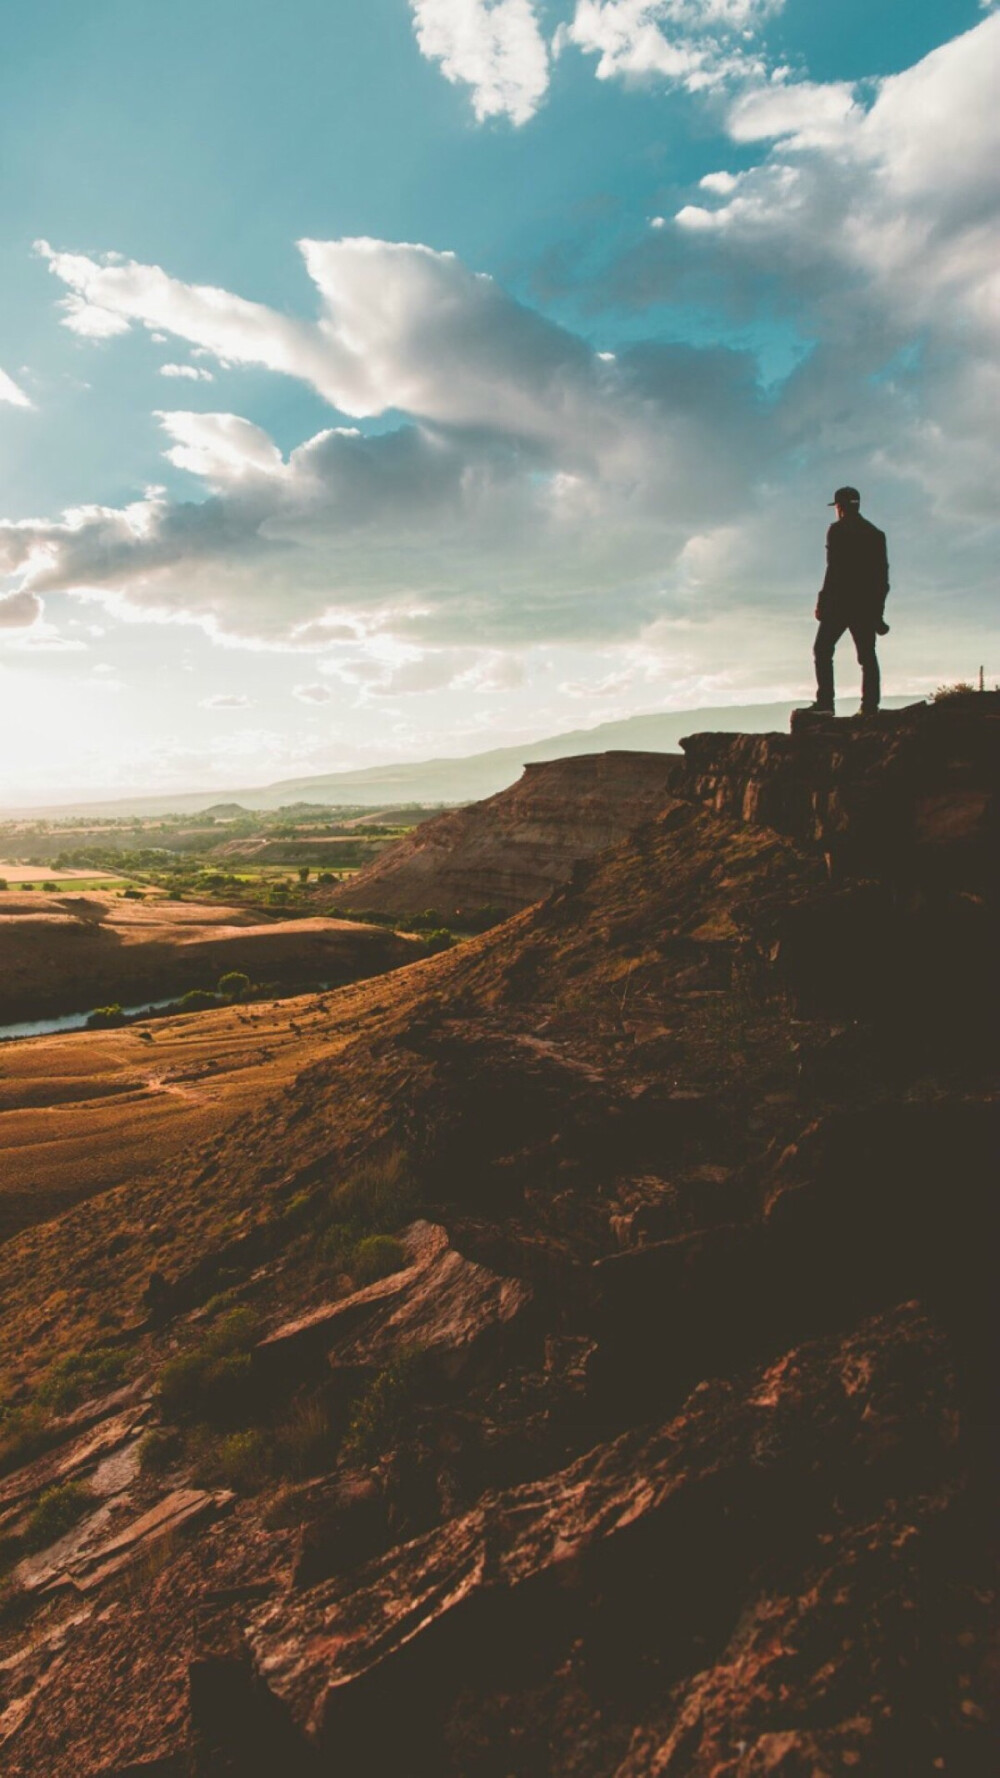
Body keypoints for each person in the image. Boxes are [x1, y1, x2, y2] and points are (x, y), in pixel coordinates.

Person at [805, 486, 889, 716]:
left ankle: (825, 705)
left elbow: (834, 569)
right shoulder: (876, 534)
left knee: (822, 649)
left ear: (839, 507)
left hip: (840, 604)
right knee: (867, 656)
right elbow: (882, 577)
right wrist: (878, 613)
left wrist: (822, 601)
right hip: (865, 606)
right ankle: (870, 706)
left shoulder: (837, 530)